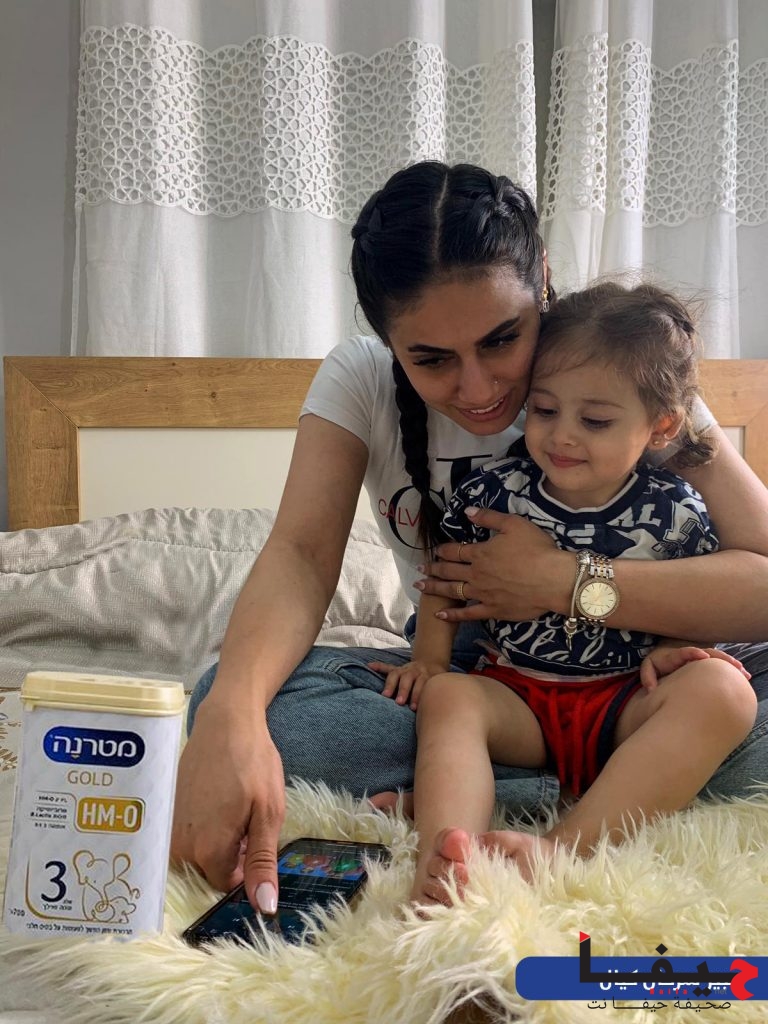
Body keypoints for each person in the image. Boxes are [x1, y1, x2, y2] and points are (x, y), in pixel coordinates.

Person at [171, 161, 768, 918]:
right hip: (486, 678)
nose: (480, 389)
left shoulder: (615, 361)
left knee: (726, 697)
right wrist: (233, 716)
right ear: (386, 339)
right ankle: (618, 787)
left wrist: (560, 580)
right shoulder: (359, 380)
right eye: (431, 359)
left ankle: (471, 795)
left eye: (502, 339)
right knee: (232, 700)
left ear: (541, 280)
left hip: (638, 678)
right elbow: (301, 555)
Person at [368, 282, 757, 903]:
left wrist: (674, 649)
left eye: (595, 421)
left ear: (661, 426)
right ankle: (446, 859)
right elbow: (447, 574)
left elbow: (698, 593)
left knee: (726, 692)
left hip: (624, 702)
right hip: (518, 696)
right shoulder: (497, 491)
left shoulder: (676, 510)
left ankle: (561, 847)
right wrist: (430, 660)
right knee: (447, 697)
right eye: (545, 411)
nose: (562, 437)